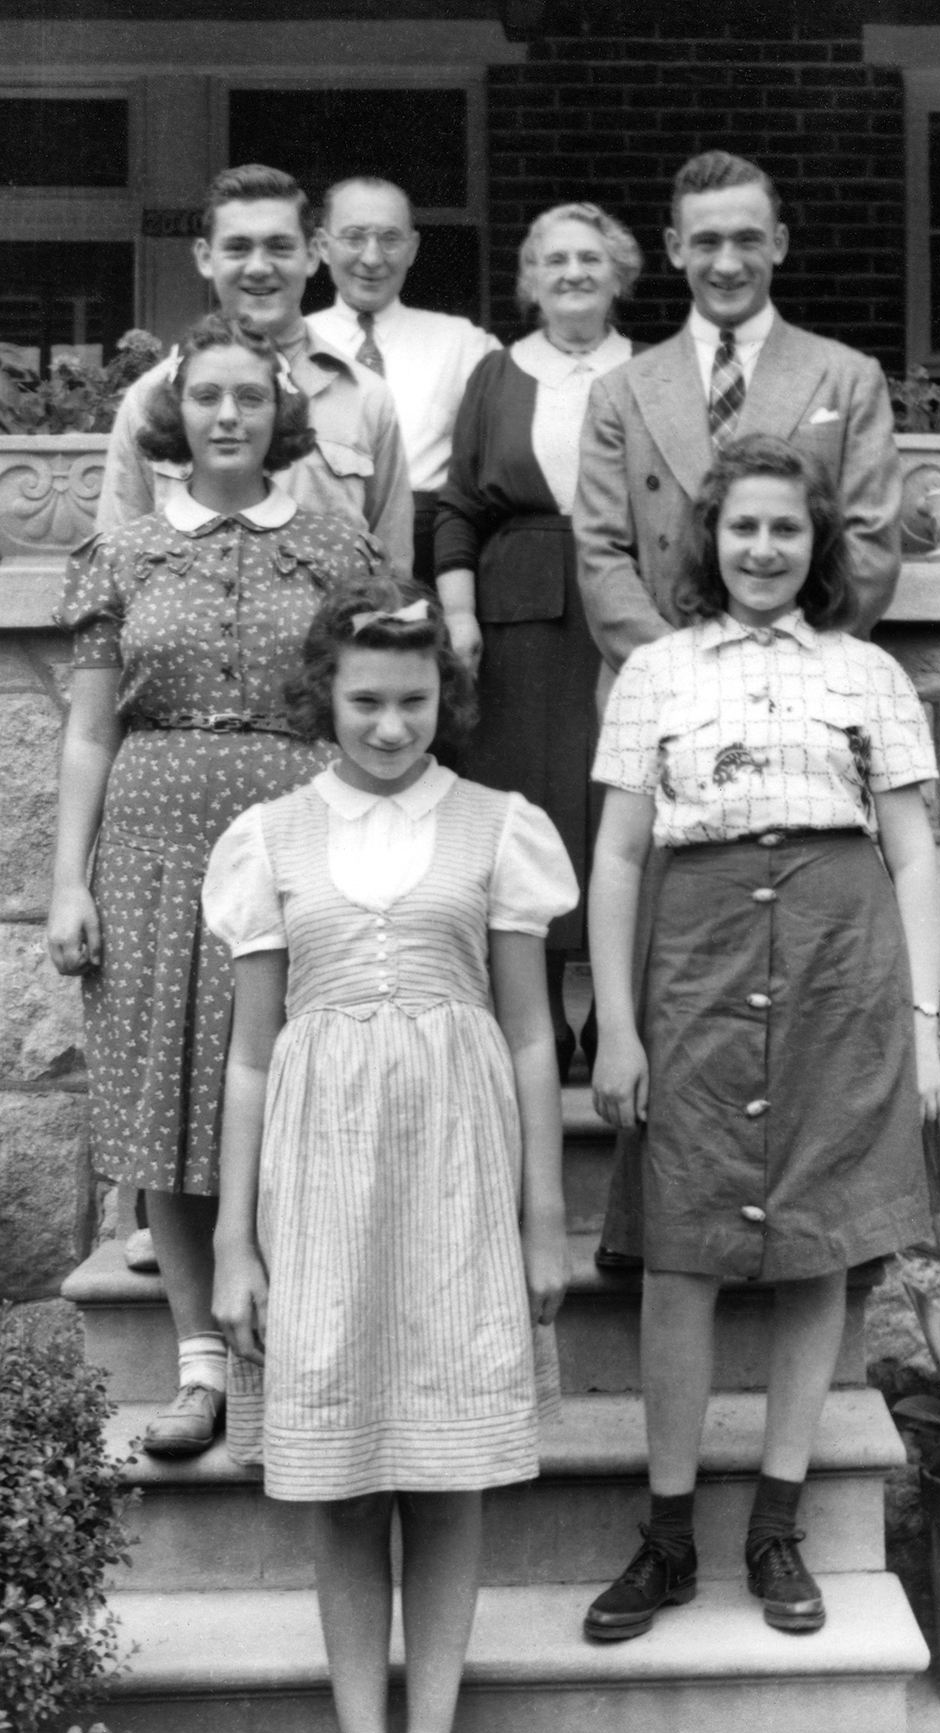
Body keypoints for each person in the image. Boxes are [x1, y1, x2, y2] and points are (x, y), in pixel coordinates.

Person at [202, 577, 575, 1733]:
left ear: (442, 700)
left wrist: (543, 1215)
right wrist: (231, 1243)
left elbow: (528, 1035)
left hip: (458, 1180)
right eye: (364, 701)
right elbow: (253, 1055)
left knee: (449, 1477)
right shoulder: (268, 839)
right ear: (326, 696)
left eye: (412, 702)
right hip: (320, 1187)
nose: (387, 727)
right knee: (345, 1482)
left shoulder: (498, 825)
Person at [582, 434, 940, 1644]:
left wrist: (925, 1028)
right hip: (694, 961)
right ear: (709, 538)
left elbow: (909, 852)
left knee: (817, 1248)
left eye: (786, 528)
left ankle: (776, 1521)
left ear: (817, 543)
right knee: (681, 1250)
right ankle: (669, 1532)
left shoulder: (866, 675)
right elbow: (621, 853)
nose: (763, 548)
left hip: (844, 967)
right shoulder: (656, 673)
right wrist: (617, 1030)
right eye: (742, 526)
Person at [47, 314, 381, 1459]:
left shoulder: (339, 553)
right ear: (172, 416)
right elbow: (90, 732)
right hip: (155, 847)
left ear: (281, 415)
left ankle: (295, 1352)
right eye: (205, 399)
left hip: (303, 834)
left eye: (248, 397)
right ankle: (200, 1369)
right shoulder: (126, 552)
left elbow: (373, 708)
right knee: (173, 1090)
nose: (227, 416)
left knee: (298, 1088)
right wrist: (67, 884)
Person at [574, 149, 904, 1265]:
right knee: (685, 993)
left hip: (801, 710)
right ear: (671, 250)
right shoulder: (623, 390)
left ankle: (810, 1230)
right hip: (666, 715)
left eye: (744, 237)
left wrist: (778, 667)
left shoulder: (843, 376)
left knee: (797, 1008)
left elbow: (862, 543)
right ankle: (664, 1227)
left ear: (779, 244)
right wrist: (693, 669)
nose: (724, 259)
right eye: (702, 239)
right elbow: (603, 550)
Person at [435, 201, 642, 1078]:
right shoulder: (496, 373)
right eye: (553, 260)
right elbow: (457, 507)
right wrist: (458, 612)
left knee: (618, 805)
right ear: (531, 279)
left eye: (590, 259)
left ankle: (616, 1015)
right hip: (515, 620)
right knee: (533, 809)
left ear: (619, 273)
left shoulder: (654, 370)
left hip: (626, 610)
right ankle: (543, 1016)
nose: (572, 274)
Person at [97, 163, 413, 576]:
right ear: (206, 258)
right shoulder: (152, 398)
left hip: (327, 637)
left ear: (314, 254)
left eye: (280, 247)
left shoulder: (365, 397)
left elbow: (392, 571)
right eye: (238, 247)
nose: (260, 267)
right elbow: (113, 562)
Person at [307, 176, 500, 583]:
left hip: (430, 554)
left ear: (412, 249)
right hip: (313, 548)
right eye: (354, 237)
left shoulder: (464, 344)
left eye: (390, 239)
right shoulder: (294, 343)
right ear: (323, 246)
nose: (373, 258)